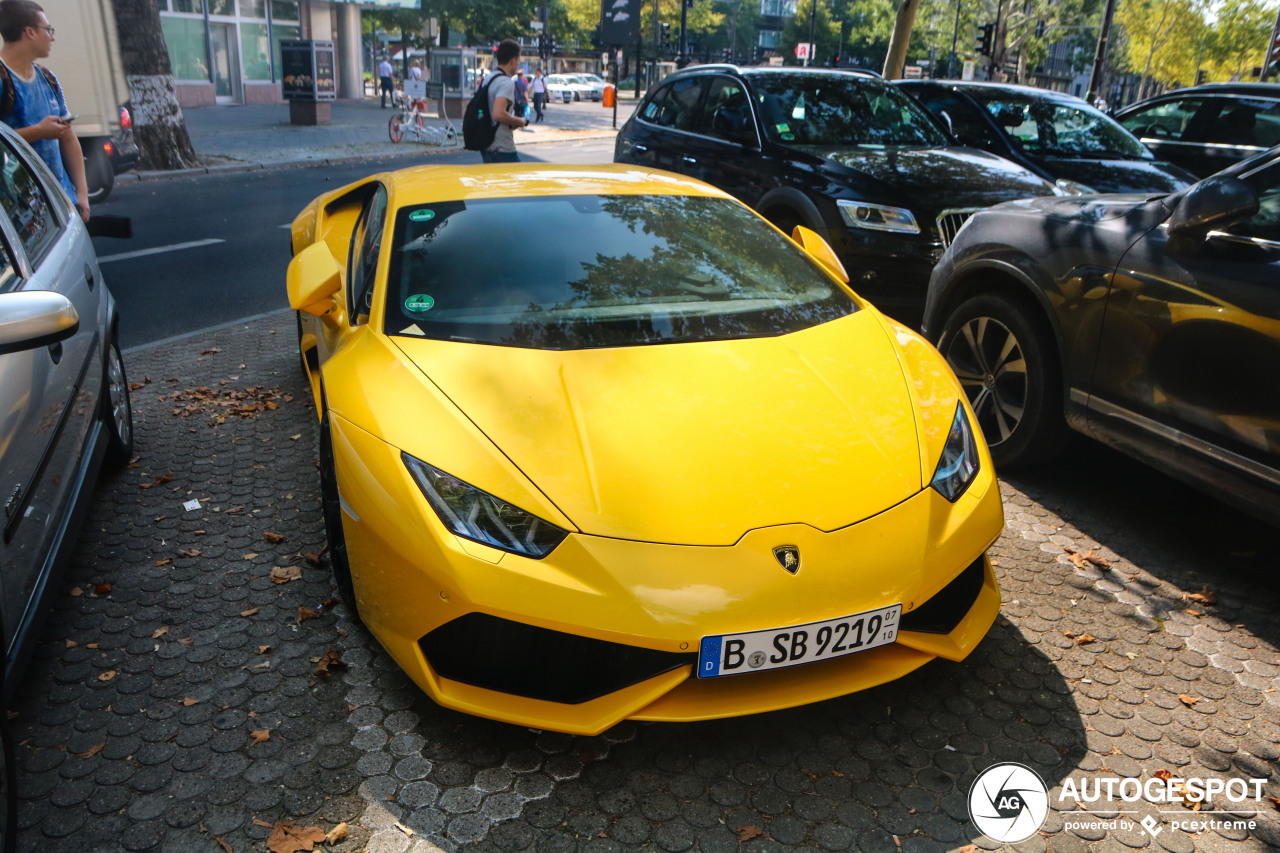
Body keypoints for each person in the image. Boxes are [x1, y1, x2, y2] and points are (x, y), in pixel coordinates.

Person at [0, 0, 88, 222]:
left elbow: (68, 139)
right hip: (20, 216)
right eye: (48, 30)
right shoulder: (3, 79)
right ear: (29, 32)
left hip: (62, 203)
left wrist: (82, 195)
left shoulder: (48, 78)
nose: (52, 37)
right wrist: (38, 131)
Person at [478, 39, 528, 163]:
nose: (518, 64)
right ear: (513, 61)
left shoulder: (488, 79)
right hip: (502, 147)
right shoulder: (506, 83)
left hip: (487, 144)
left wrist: (510, 121)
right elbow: (498, 113)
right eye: (518, 60)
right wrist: (519, 121)